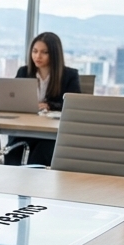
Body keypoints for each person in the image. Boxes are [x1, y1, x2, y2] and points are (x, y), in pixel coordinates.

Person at [5, 31, 81, 166]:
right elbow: (15, 101)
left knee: (41, 153)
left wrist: (49, 105)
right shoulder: (24, 72)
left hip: (51, 133)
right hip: (25, 129)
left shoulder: (69, 75)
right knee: (14, 155)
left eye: (44, 52)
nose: (37, 56)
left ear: (54, 54)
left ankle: (33, 177)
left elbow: (75, 105)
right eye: (34, 51)